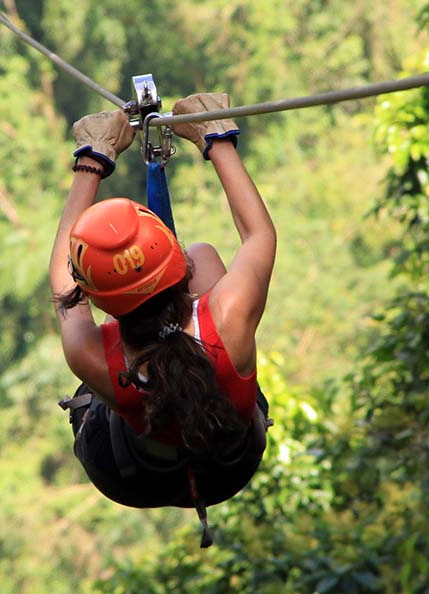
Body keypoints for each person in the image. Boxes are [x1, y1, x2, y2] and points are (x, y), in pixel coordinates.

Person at [48, 93, 276, 546]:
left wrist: (93, 160)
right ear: (175, 267)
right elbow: (259, 233)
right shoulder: (228, 316)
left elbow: (61, 285)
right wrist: (216, 137)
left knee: (103, 385)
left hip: (128, 474)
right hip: (230, 462)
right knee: (206, 256)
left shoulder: (90, 354)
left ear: (95, 296)